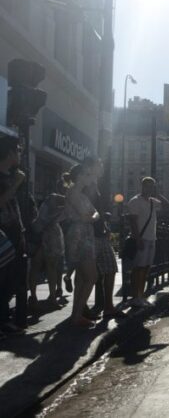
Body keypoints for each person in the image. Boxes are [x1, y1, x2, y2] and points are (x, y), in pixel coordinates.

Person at [84, 157, 123, 319]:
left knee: (110, 268)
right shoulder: (87, 185)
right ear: (91, 167)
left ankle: (108, 306)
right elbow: (88, 208)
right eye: (99, 165)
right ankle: (82, 307)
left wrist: (104, 226)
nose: (101, 168)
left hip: (100, 232)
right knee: (88, 274)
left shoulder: (95, 185)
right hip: (91, 233)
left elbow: (96, 208)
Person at [64, 163, 100, 328]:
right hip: (79, 236)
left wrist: (93, 216)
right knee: (92, 276)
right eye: (86, 174)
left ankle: (76, 315)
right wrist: (92, 216)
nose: (89, 177)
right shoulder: (73, 193)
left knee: (82, 278)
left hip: (85, 235)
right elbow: (88, 216)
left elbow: (95, 212)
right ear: (79, 176)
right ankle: (77, 315)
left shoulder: (82, 195)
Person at [126, 177, 169, 307]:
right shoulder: (135, 201)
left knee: (146, 268)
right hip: (142, 238)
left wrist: (157, 194)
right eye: (147, 186)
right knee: (138, 268)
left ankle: (141, 295)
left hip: (152, 238)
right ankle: (135, 297)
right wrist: (138, 239)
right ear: (142, 186)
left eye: (152, 186)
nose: (149, 188)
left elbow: (168, 206)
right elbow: (133, 221)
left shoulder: (153, 201)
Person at [0, 134, 27, 338]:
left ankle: (4, 318)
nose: (20, 153)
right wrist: (16, 184)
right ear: (9, 152)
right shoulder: (6, 178)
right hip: (3, 234)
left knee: (14, 278)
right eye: (18, 150)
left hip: (15, 233)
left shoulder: (11, 175)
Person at [28, 176, 68, 309]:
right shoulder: (55, 197)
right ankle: (47, 297)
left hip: (43, 234)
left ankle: (36, 297)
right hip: (46, 234)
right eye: (66, 187)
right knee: (49, 267)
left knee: (39, 266)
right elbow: (51, 216)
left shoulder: (56, 199)